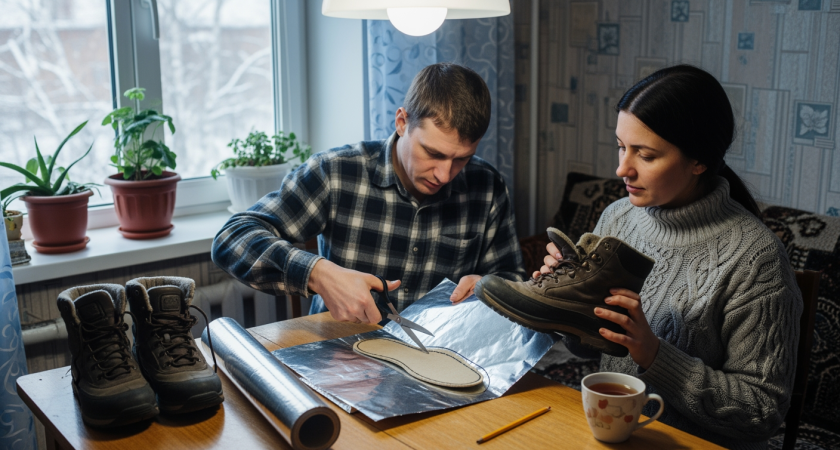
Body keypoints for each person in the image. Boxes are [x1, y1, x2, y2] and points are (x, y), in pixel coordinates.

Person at [211, 62, 526, 324]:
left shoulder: (487, 185)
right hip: (340, 354)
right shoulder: (336, 172)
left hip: (443, 361)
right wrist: (318, 274)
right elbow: (231, 239)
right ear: (402, 122)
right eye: (433, 153)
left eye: (461, 159)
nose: (444, 174)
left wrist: (491, 287)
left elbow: (512, 278)